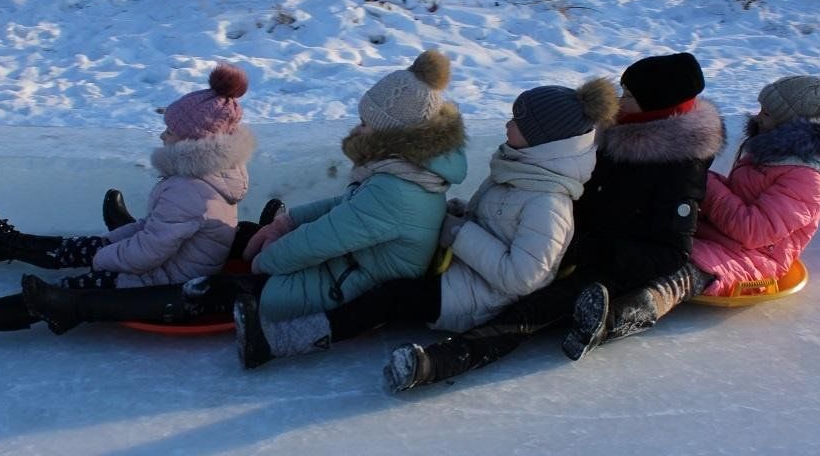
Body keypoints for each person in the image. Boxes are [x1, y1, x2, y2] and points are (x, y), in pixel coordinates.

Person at [21, 49, 469, 358]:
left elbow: (330, 236)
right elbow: (345, 207)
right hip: (348, 267)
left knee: (204, 293)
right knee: (245, 238)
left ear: (398, 134)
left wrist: (270, 256)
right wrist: (286, 222)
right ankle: (52, 260)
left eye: (368, 123)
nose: (359, 128)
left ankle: (75, 305)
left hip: (345, 287)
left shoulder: (398, 188)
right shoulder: (406, 173)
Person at [383, 51, 726, 391]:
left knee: (532, 311)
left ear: (659, 106)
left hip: (603, 262)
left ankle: (439, 362)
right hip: (557, 236)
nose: (619, 102)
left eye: (630, 96)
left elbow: (671, 252)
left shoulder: (679, 168)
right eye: (621, 91)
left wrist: (587, 251)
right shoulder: (613, 133)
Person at [229, 77, 618, 369]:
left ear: (541, 139)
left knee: (388, 298)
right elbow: (499, 221)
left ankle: (284, 341)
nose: (506, 124)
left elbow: (523, 276)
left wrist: (460, 232)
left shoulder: (548, 201)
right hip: (456, 268)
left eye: (517, 121)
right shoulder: (524, 170)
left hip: (475, 299)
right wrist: (464, 215)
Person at [0, 62, 257, 345]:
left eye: (169, 131)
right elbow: (159, 233)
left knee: (62, 294)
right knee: (81, 247)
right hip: (170, 264)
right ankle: (4, 245)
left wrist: (101, 257)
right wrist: (108, 243)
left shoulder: (190, 188)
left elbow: (148, 252)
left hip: (165, 281)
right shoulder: (210, 175)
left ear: (193, 142)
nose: (162, 136)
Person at [574, 67, 820, 343]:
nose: (758, 117)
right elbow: (739, 192)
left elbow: (754, 231)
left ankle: (619, 317)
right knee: (654, 244)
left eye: (767, 113)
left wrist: (703, 185)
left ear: (792, 124)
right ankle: (589, 290)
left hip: (758, 255)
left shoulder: (808, 180)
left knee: (682, 274)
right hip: (720, 234)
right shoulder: (770, 150)